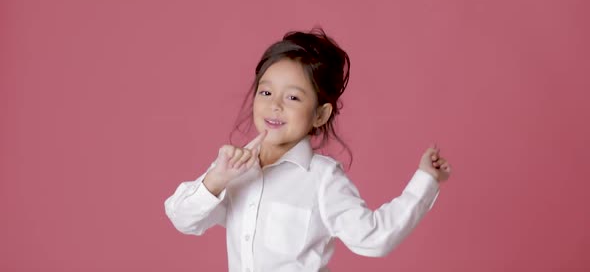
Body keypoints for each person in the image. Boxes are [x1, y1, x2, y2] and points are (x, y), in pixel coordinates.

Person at [164, 28, 452, 272]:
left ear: (320, 115)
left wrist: (426, 181)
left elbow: (374, 238)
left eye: (293, 97)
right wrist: (216, 179)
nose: (275, 104)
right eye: (266, 92)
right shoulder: (234, 168)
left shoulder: (322, 180)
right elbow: (183, 219)